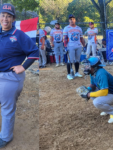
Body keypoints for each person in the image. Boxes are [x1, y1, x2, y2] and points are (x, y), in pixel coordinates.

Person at [0, 3, 39, 148]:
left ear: (13, 19)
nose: (5, 18)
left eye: (9, 16)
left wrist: (23, 66)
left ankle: (5, 137)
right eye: (3, 15)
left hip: (9, 77)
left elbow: (34, 52)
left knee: (7, 108)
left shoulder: (18, 34)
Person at [81, 57, 113, 123]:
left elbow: (104, 92)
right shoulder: (93, 73)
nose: (86, 67)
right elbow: (93, 84)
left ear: (94, 66)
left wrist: (88, 94)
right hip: (109, 93)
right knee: (92, 93)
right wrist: (88, 90)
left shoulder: (101, 73)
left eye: (88, 66)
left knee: (96, 102)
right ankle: (107, 109)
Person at [63, 14, 86, 80]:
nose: (72, 20)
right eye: (70, 19)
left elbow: (81, 38)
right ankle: (69, 74)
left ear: (75, 20)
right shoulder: (66, 28)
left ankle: (76, 72)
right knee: (70, 60)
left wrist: (84, 46)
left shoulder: (79, 28)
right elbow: (65, 38)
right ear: (69, 20)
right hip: (70, 46)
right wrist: (65, 46)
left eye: (73, 19)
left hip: (78, 46)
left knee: (77, 60)